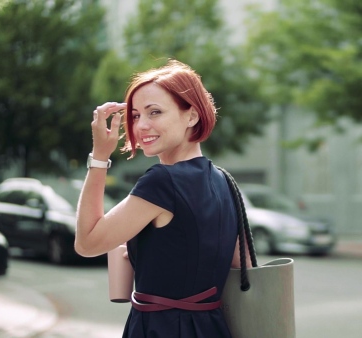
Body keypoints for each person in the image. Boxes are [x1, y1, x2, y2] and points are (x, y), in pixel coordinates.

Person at [75, 60, 248, 337]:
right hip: (213, 328)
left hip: (161, 328)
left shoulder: (162, 181)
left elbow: (87, 243)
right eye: (134, 116)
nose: (142, 125)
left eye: (154, 112)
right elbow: (243, 265)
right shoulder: (224, 181)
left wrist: (99, 157)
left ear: (192, 116)